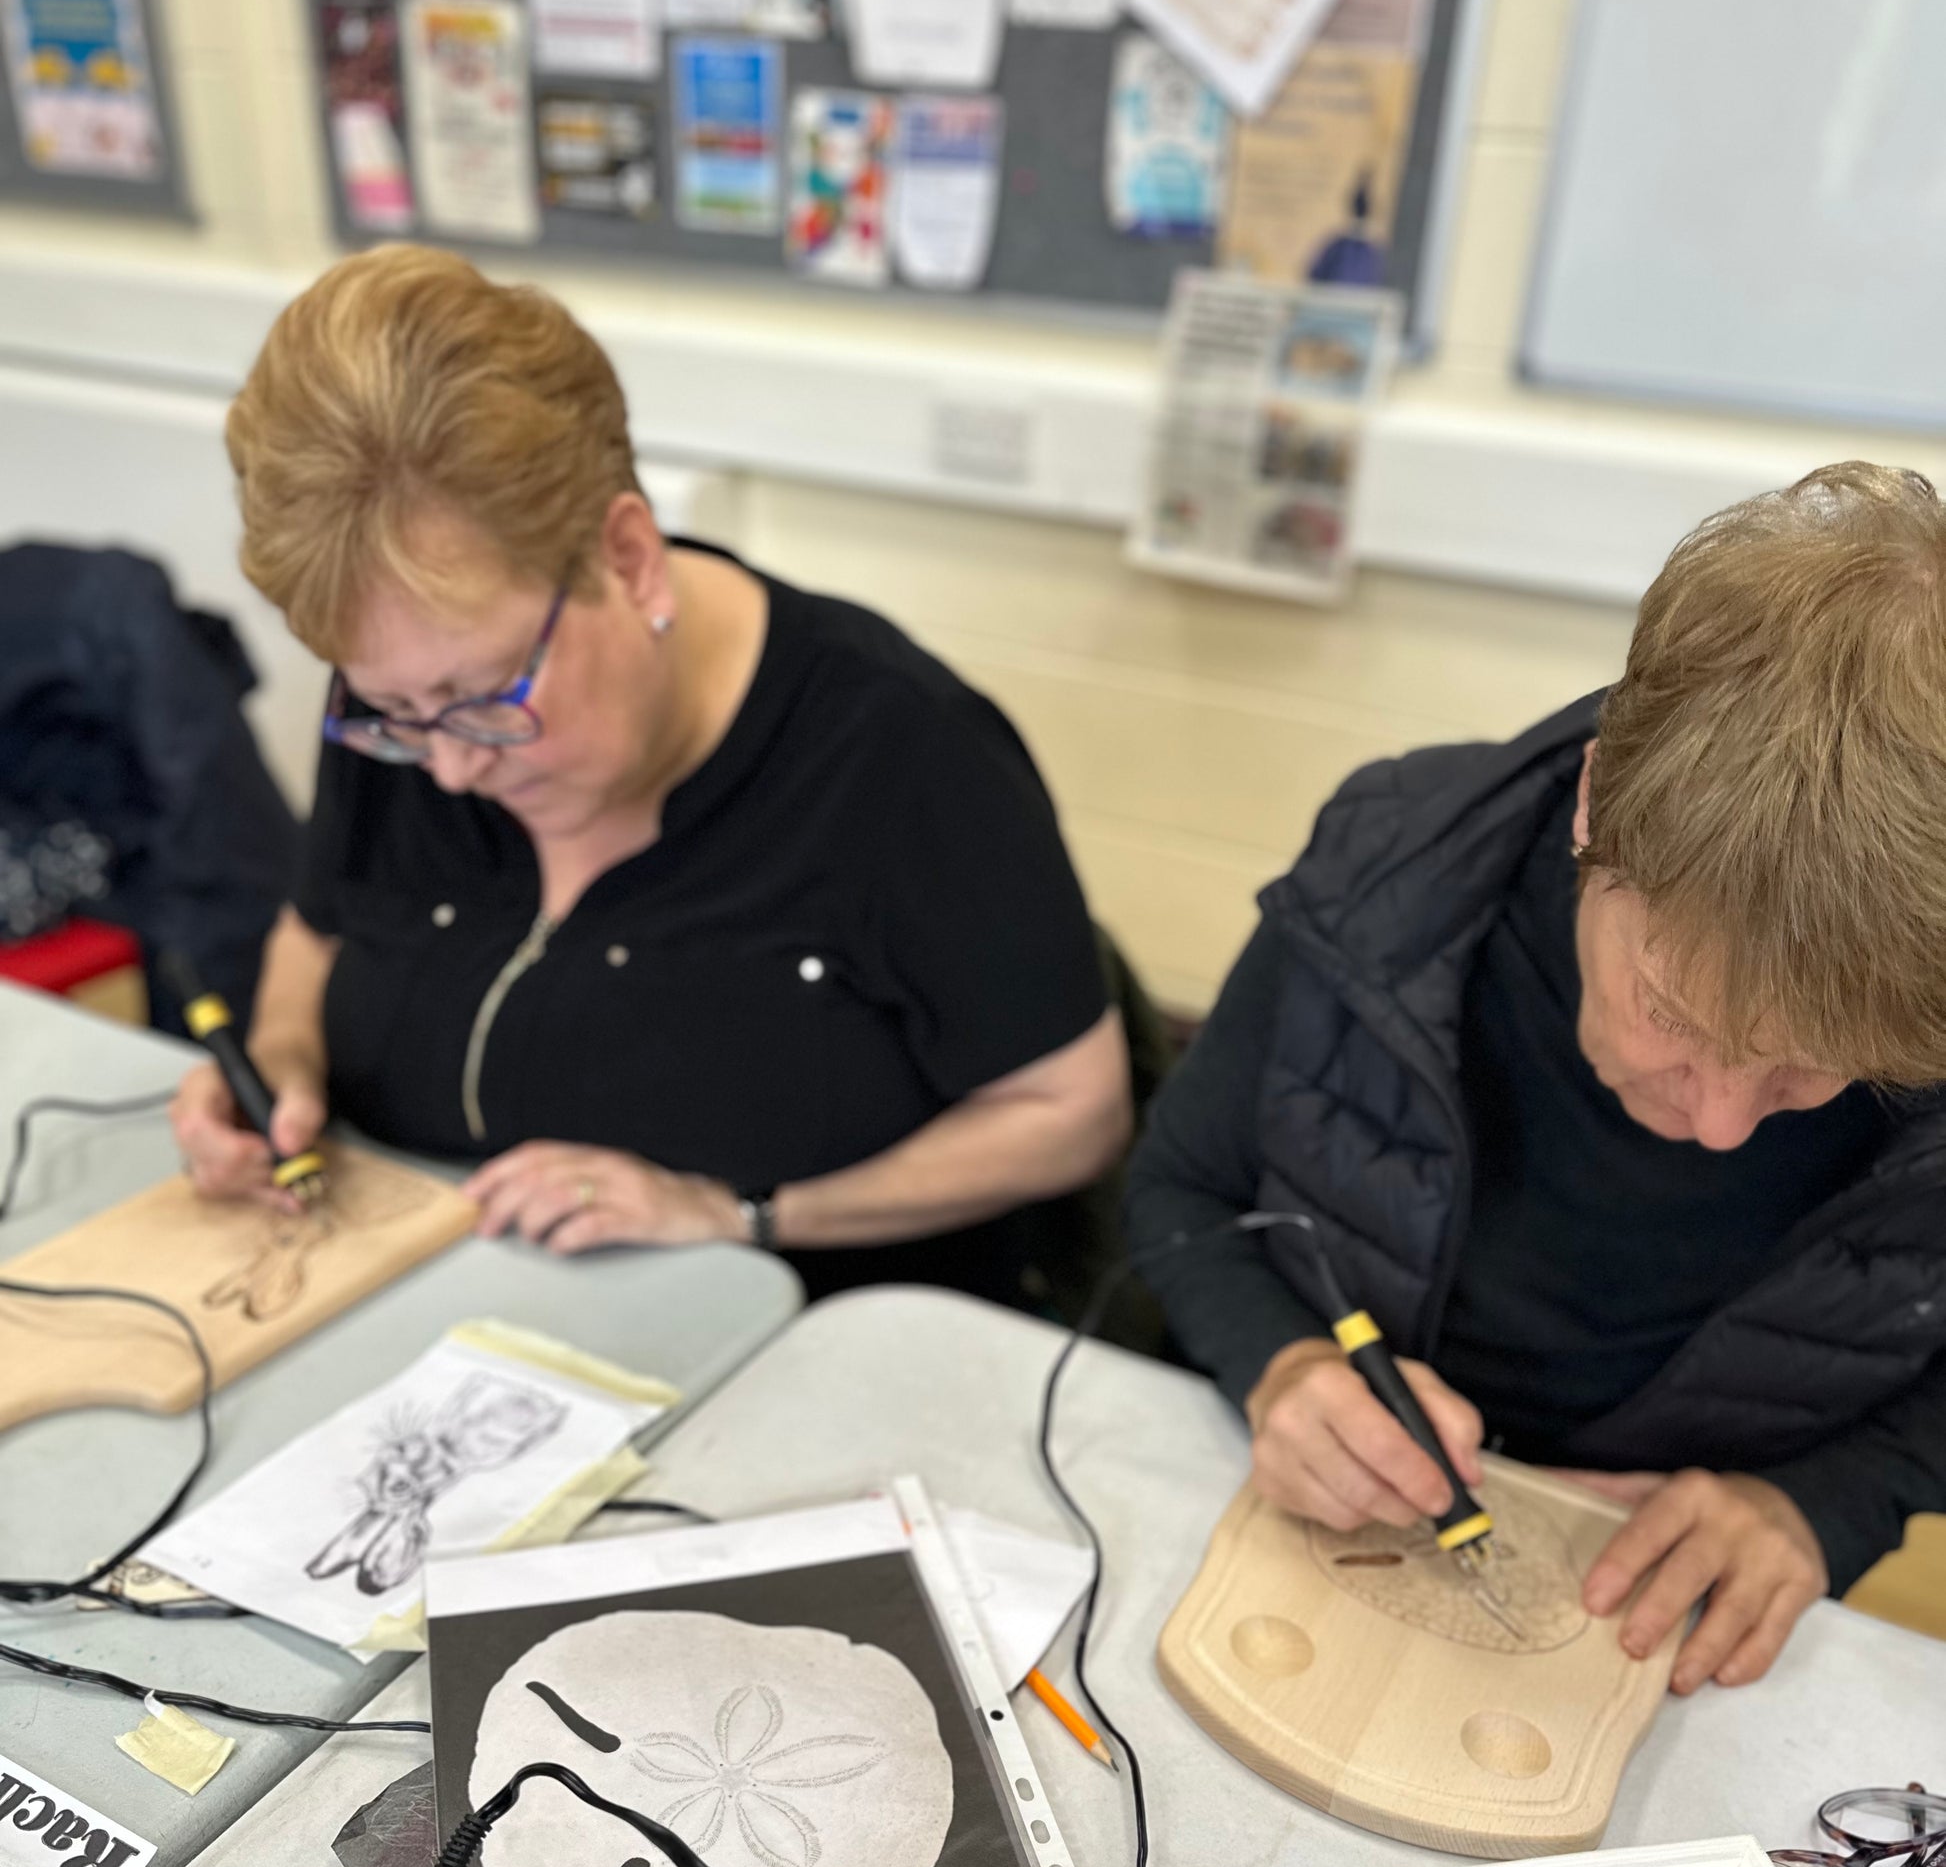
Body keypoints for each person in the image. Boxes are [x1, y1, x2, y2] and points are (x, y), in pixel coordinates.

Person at [170, 247, 1131, 1306]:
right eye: (393, 711)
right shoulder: (409, 702)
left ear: (628, 560)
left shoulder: (901, 756)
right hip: (434, 1300)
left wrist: (736, 1211)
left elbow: (1072, 1113)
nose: (447, 767)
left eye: (485, 694)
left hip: (796, 1336)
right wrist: (278, 1068)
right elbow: (315, 932)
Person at [1129, 463, 1946, 1695]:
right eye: (1670, 1013)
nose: (1718, 1124)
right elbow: (1182, 1191)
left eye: (1813, 1069)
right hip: (1311, 1538)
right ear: (1592, 804)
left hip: (1669, 1629)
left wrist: (1820, 1503)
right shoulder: (1391, 865)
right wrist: (1281, 1364)